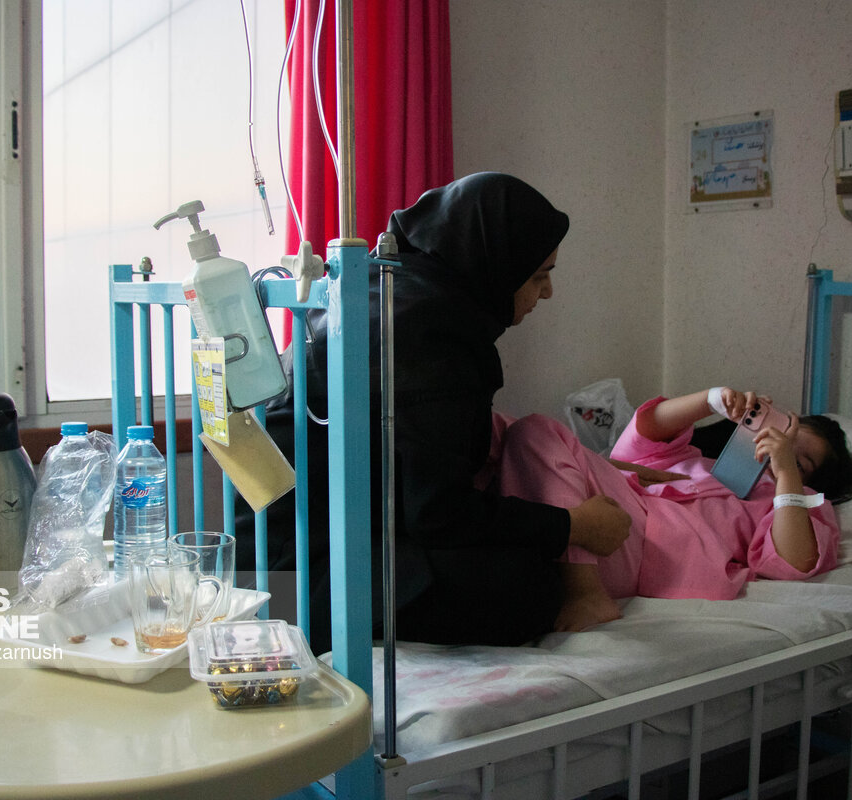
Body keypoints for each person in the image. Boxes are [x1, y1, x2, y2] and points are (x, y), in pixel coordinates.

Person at [266, 172, 631, 650]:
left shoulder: (381, 287)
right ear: (496, 264)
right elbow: (440, 515)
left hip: (273, 556)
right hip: (303, 581)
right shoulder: (433, 335)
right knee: (529, 584)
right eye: (539, 275)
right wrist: (572, 526)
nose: (547, 293)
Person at [491, 388, 852, 629]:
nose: (777, 448)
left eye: (801, 460)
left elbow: (795, 559)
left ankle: (584, 592)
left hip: (639, 542)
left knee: (536, 430)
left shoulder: (799, 503)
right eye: (783, 436)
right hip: (603, 503)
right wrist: (711, 400)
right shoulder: (703, 464)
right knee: (501, 429)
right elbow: (645, 432)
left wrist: (786, 471)